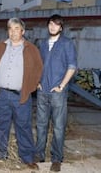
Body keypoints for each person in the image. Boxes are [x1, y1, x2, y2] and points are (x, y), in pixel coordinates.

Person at [0, 17, 43, 170]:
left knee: (23, 127)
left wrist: (30, 87)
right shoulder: (0, 46)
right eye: (10, 29)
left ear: (22, 31)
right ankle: (1, 154)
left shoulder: (31, 49)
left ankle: (27, 158)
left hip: (21, 95)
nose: (13, 32)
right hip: (1, 94)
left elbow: (38, 68)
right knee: (1, 125)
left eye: (16, 29)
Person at [35, 14, 77, 172]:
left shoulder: (67, 44)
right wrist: (37, 83)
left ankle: (57, 159)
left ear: (61, 27)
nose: (52, 27)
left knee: (59, 127)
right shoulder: (43, 44)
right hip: (42, 91)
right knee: (40, 125)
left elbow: (72, 66)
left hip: (57, 93)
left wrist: (61, 86)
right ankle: (39, 154)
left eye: (56, 24)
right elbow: (38, 65)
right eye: (50, 24)